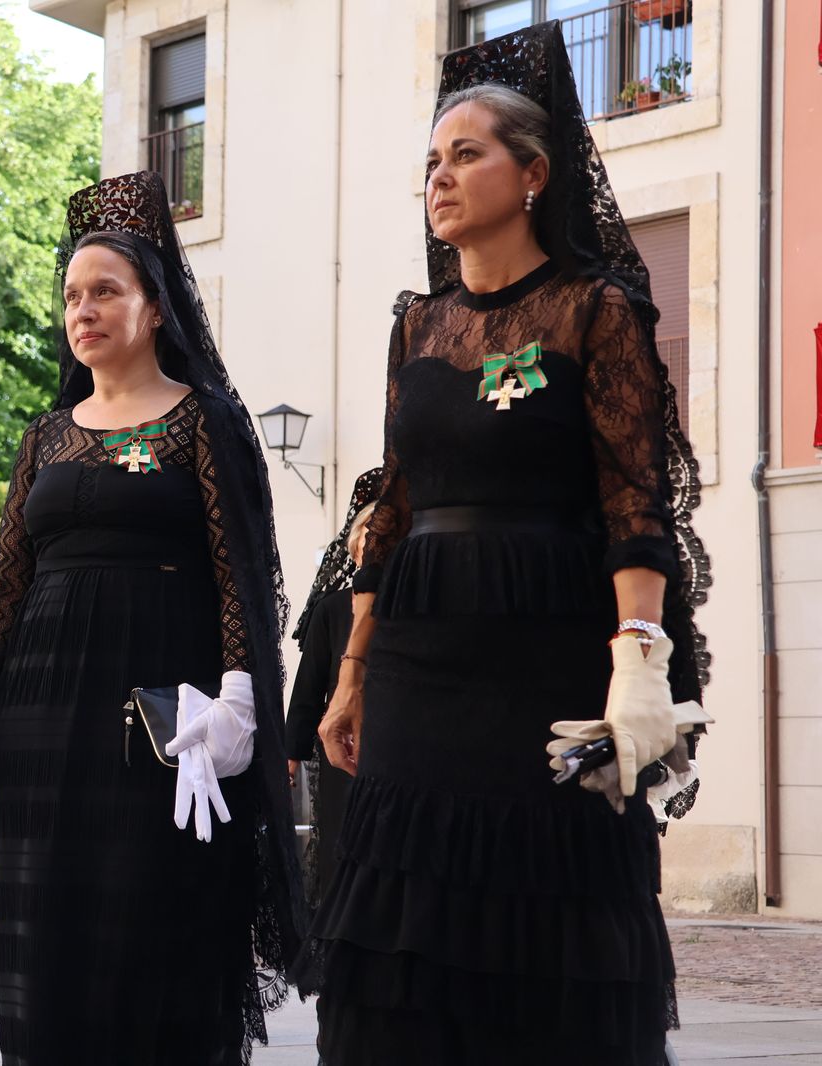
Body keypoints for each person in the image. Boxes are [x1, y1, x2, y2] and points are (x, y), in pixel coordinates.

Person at [295, 24, 712, 1066]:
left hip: (546, 649)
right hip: (418, 656)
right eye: (431, 160)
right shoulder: (418, 325)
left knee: (549, 923)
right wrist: (351, 674)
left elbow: (634, 497)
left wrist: (639, 663)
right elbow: (392, 505)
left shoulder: (595, 310)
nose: (438, 176)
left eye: (465, 153)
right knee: (402, 924)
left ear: (532, 174)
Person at [0, 171, 305, 1065]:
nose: (84, 310)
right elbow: (7, 581)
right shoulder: (45, 435)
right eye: (72, 296)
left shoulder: (204, 421)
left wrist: (241, 697)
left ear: (157, 308)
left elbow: (239, 572)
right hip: (40, 714)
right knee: (53, 928)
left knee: (151, 919)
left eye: (105, 291)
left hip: (158, 716)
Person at [285, 493, 376, 909]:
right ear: (354, 550)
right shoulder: (331, 609)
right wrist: (291, 753)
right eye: (368, 540)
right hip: (344, 750)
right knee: (340, 844)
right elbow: (308, 687)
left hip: (392, 743)